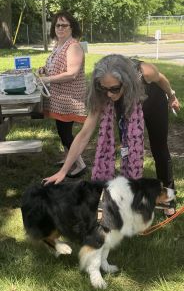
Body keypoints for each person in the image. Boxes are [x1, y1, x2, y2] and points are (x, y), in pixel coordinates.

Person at [43, 54, 180, 215]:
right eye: (104, 88)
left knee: (159, 148)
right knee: (127, 150)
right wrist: (64, 170)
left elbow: (161, 79)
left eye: (114, 88)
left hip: (153, 101)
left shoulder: (145, 72)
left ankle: (168, 196)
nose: (108, 94)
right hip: (127, 105)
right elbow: (85, 133)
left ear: (126, 81)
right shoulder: (103, 92)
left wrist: (172, 97)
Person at [38, 10, 87, 177]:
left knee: (65, 132)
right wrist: (45, 70)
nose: (60, 28)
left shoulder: (73, 46)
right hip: (60, 98)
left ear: (71, 27)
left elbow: (72, 73)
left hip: (70, 97)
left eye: (64, 25)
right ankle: (69, 157)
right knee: (61, 129)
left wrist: (47, 79)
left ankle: (80, 164)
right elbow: (56, 66)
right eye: (57, 25)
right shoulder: (58, 45)